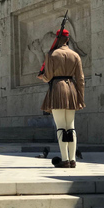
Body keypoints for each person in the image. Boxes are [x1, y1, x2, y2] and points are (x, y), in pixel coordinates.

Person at [38, 29, 85, 168]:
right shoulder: (75, 55)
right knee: (71, 126)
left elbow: (48, 76)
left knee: (60, 127)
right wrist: (80, 96)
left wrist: (42, 77)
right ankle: (73, 160)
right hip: (71, 89)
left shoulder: (52, 55)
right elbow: (81, 79)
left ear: (57, 39)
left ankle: (65, 160)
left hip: (58, 88)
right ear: (68, 39)